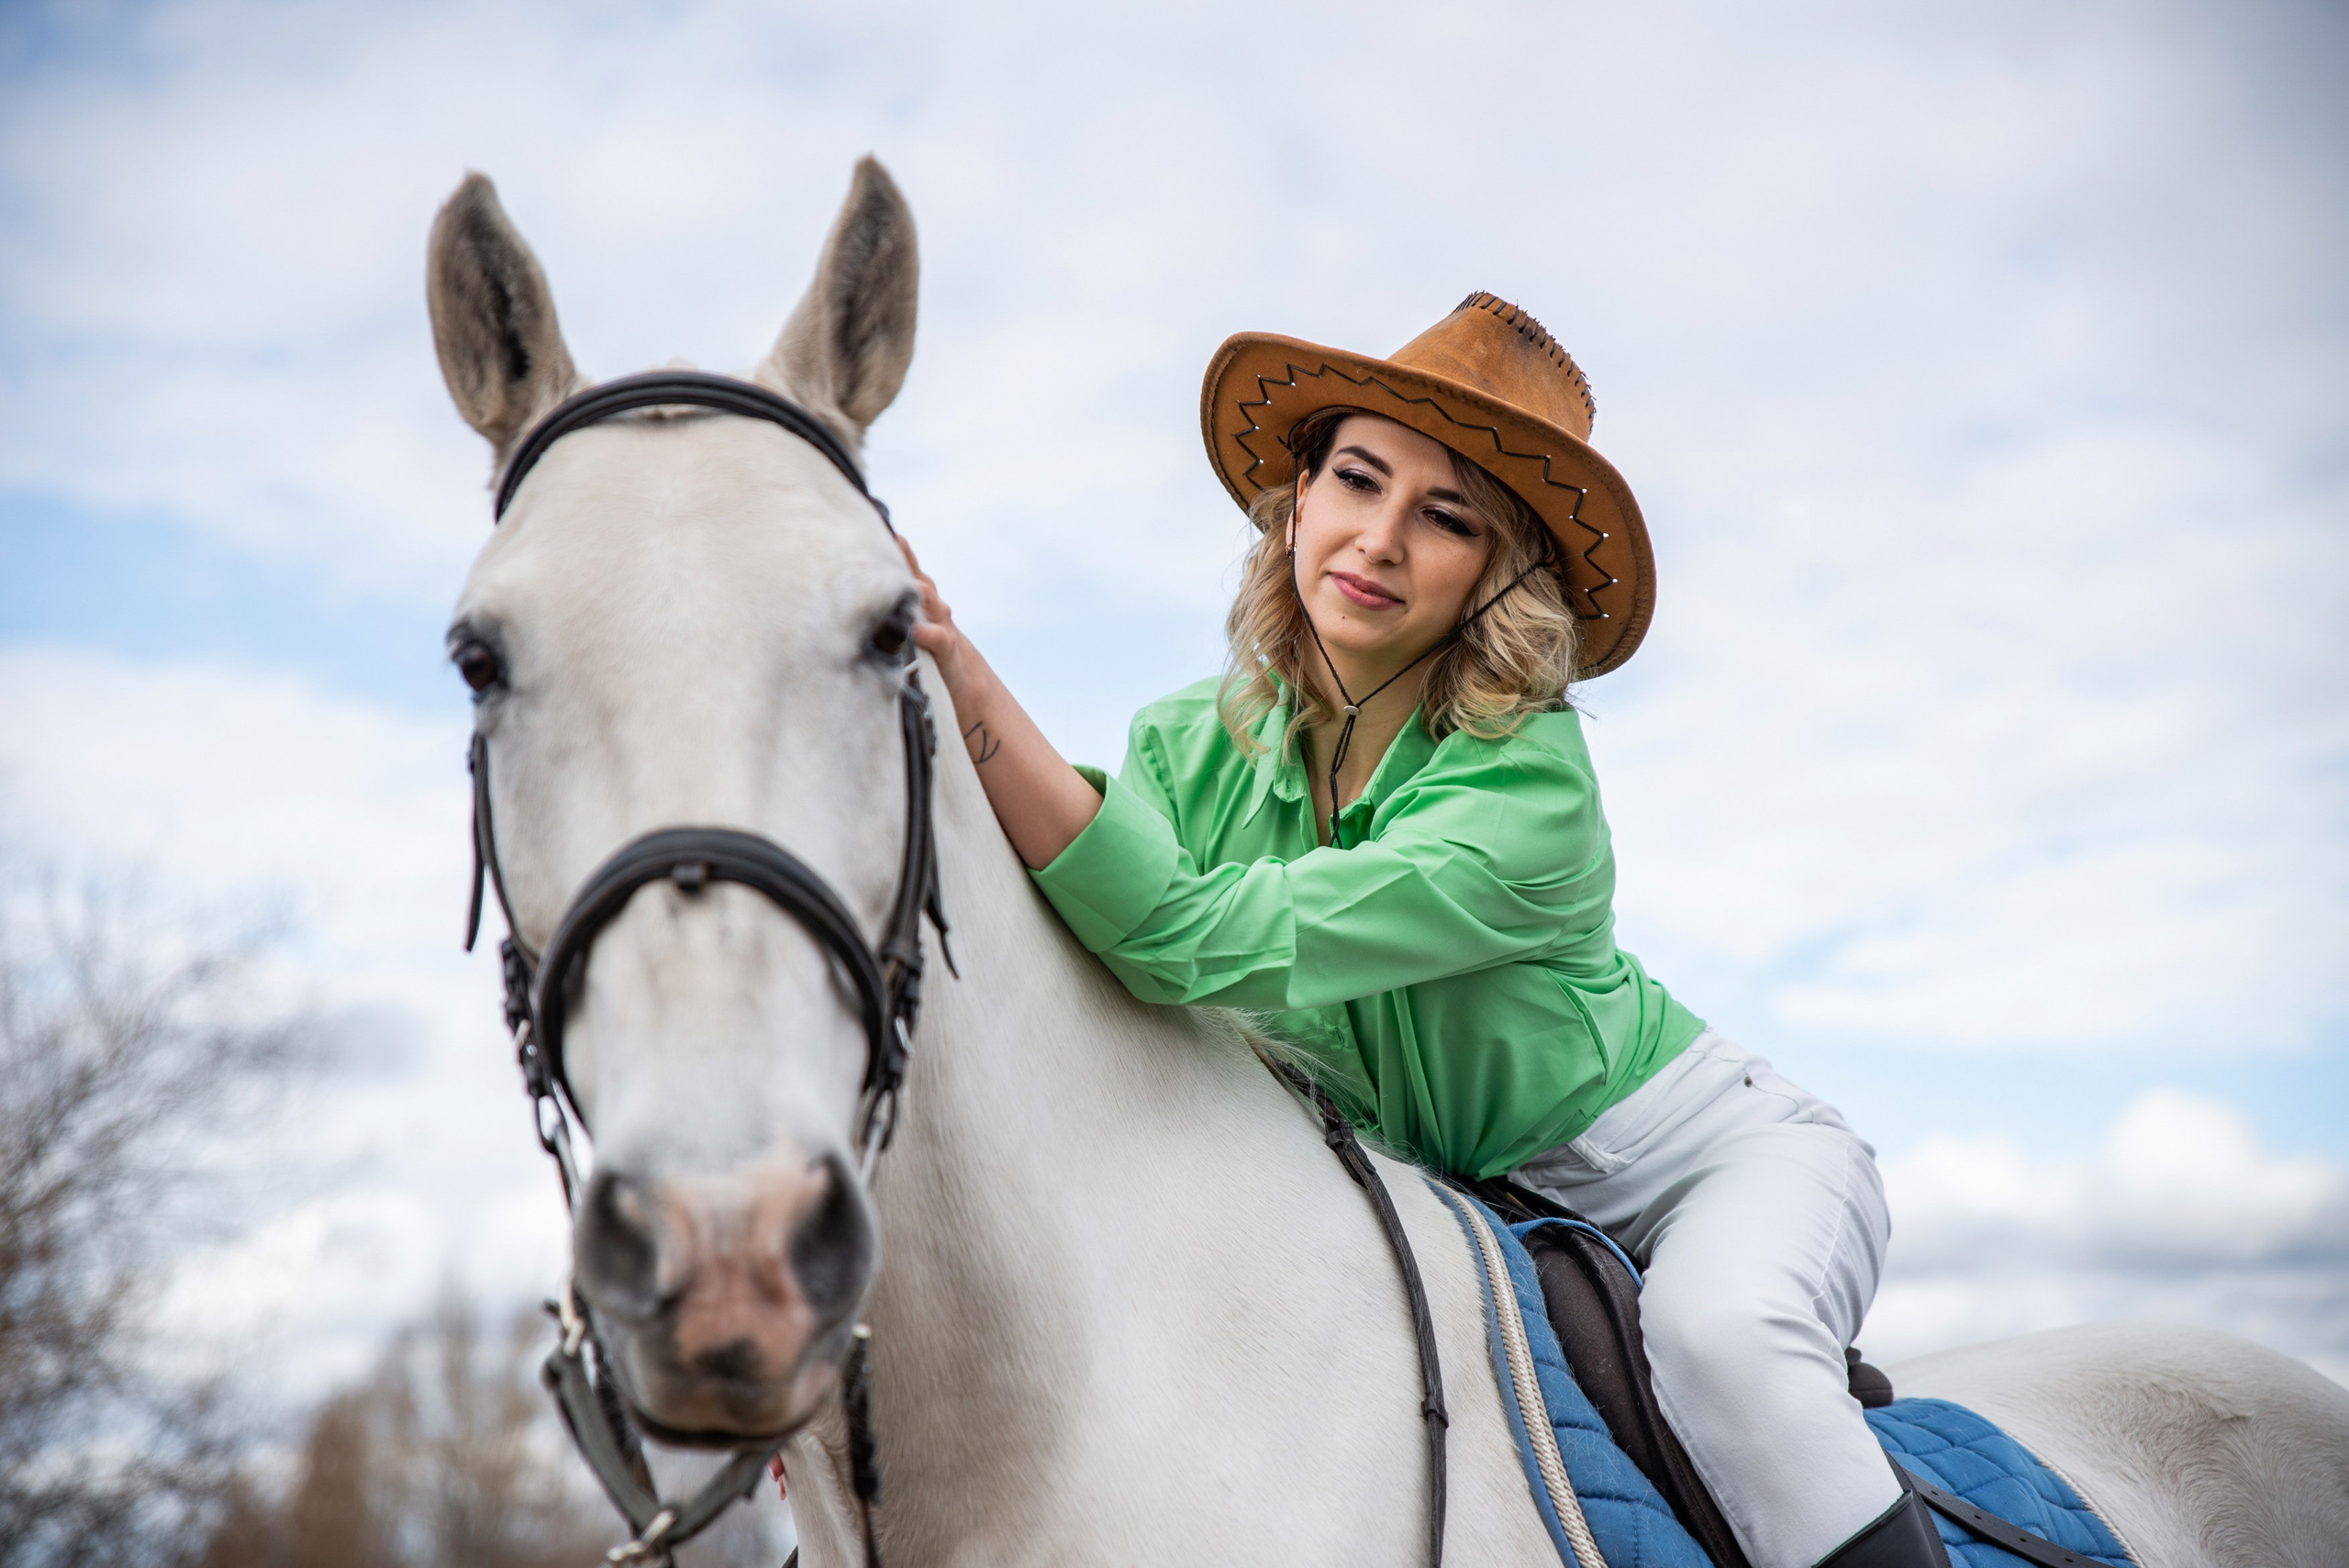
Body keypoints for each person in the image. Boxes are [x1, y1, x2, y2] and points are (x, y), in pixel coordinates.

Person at [900, 293, 1943, 1568]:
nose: (1378, 539)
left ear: (1501, 577)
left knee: (1728, 1350)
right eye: (1356, 478)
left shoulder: (1534, 785)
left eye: (1446, 516)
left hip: (1690, 1164)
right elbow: (1106, 1032)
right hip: (1435, 1198)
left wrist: (956, 670)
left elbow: (1182, 932)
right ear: (1297, 499)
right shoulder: (1180, 745)